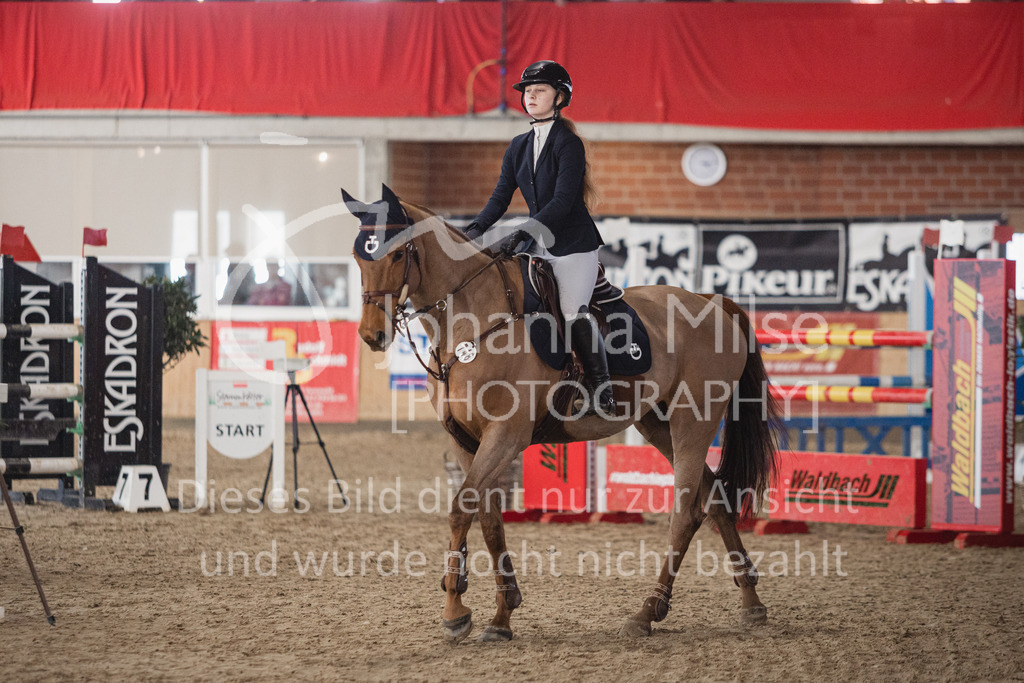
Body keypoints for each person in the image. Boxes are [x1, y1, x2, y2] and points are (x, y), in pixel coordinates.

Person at [464, 60, 616, 416]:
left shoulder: (569, 144)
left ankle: (601, 389)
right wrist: (470, 232)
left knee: (571, 311)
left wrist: (523, 232)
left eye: (540, 91)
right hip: (538, 245)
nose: (531, 96)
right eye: (527, 92)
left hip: (572, 246)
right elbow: (500, 198)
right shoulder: (518, 145)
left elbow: (563, 202)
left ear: (559, 97)